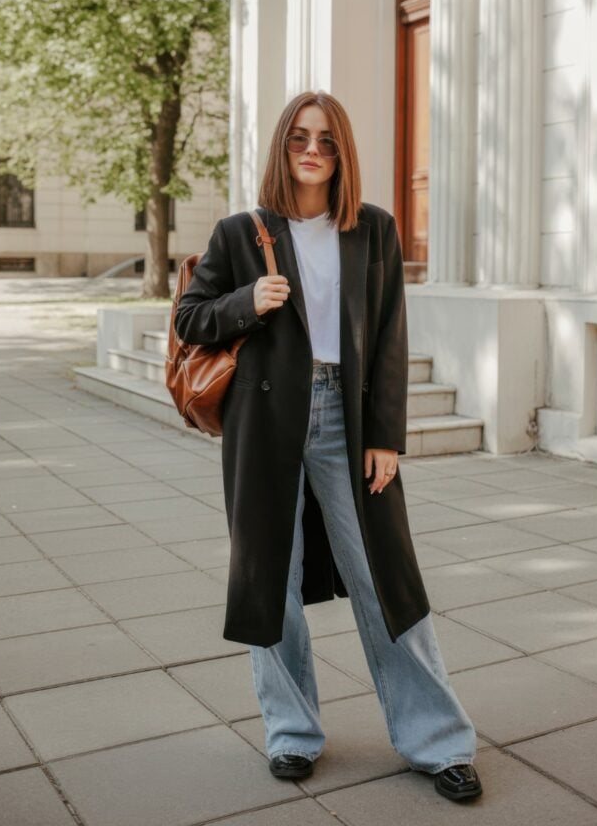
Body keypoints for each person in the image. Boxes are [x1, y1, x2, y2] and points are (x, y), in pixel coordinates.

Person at [174, 90, 482, 802]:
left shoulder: (371, 229)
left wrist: (386, 436)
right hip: (264, 424)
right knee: (268, 580)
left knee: (387, 579)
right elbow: (191, 319)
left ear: (341, 154)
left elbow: (389, 338)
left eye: (327, 141)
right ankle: (291, 734)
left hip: (347, 419)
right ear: (282, 147)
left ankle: (437, 741)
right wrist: (245, 303)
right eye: (300, 139)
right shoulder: (238, 232)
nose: (312, 150)